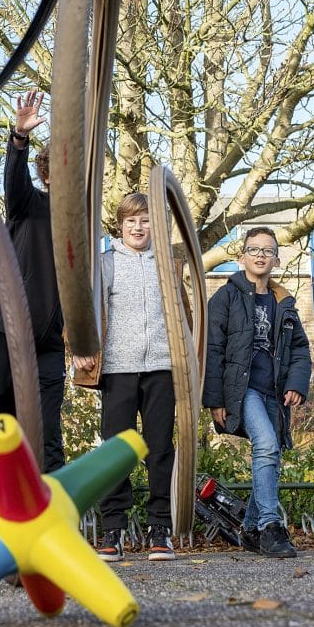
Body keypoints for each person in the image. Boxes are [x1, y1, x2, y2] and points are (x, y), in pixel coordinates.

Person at [72, 193, 178, 561]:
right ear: (120, 225)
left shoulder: (167, 264)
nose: (138, 226)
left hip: (161, 367)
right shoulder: (106, 263)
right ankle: (113, 528)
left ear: (155, 226)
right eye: (131, 220)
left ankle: (160, 528)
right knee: (116, 451)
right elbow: (84, 311)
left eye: (146, 220)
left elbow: (183, 315)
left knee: (160, 450)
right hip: (118, 368)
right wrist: (81, 351)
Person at [200, 227, 311, 559]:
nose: (261, 255)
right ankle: (269, 526)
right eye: (254, 249)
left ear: (276, 258)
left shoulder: (284, 302)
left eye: (268, 250)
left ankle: (248, 530)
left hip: (273, 392)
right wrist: (215, 399)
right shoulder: (226, 296)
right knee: (265, 445)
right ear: (241, 256)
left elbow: (301, 349)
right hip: (242, 388)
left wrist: (296, 383)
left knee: (272, 452)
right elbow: (212, 348)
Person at [0, 90, 67, 470]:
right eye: (59, 171)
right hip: (7, 332)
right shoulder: (29, 205)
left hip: (50, 342)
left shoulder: (80, 226)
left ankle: (53, 516)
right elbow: (14, 186)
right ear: (47, 175)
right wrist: (19, 139)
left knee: (49, 432)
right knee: (3, 425)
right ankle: (2, 511)